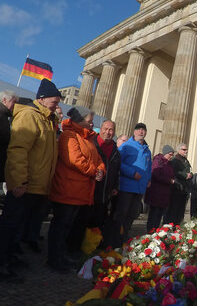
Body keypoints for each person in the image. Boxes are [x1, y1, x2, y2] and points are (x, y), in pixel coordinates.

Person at [0, 79, 60, 283]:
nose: (57, 105)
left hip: (36, 186)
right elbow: (18, 150)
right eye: (54, 101)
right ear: (41, 99)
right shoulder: (29, 115)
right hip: (24, 184)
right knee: (9, 226)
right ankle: (2, 264)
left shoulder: (49, 119)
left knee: (18, 226)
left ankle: (10, 258)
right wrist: (18, 181)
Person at [48, 106, 105, 272]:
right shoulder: (68, 135)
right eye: (89, 121)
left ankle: (62, 255)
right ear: (80, 120)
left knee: (68, 226)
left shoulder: (87, 138)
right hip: (67, 188)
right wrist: (95, 171)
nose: (92, 123)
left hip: (80, 190)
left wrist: (101, 169)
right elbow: (74, 160)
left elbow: (99, 158)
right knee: (60, 225)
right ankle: (54, 258)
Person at [67, 119, 121, 253]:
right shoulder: (93, 144)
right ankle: (72, 248)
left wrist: (115, 186)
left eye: (111, 130)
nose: (108, 132)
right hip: (89, 191)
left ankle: (89, 247)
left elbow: (116, 172)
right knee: (80, 221)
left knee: (96, 223)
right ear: (101, 129)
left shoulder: (116, 151)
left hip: (105, 194)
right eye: (106, 129)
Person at [113, 122, 152, 244]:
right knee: (121, 214)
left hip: (140, 188)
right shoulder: (126, 146)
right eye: (139, 129)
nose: (141, 132)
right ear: (134, 132)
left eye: (143, 130)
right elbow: (118, 162)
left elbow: (148, 167)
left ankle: (125, 237)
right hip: (127, 186)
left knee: (132, 214)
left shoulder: (147, 150)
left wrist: (148, 179)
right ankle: (114, 239)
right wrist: (132, 173)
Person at [144, 145, 176, 232]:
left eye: (172, 155)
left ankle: (156, 231)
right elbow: (155, 174)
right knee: (154, 214)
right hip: (156, 192)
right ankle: (150, 231)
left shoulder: (169, 163)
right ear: (165, 153)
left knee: (159, 215)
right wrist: (169, 180)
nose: (171, 156)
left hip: (164, 193)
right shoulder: (158, 161)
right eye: (170, 154)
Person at [164, 144, 193, 226]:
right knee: (173, 210)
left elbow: (190, 170)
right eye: (184, 149)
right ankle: (169, 227)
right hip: (176, 189)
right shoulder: (175, 160)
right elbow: (174, 172)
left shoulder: (186, 161)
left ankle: (177, 226)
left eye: (186, 149)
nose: (186, 151)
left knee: (181, 211)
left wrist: (190, 174)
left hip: (184, 189)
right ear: (179, 150)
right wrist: (185, 175)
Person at [0, 90, 18, 194]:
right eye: (14, 102)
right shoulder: (2, 115)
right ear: (5, 100)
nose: (15, 105)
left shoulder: (6, 116)